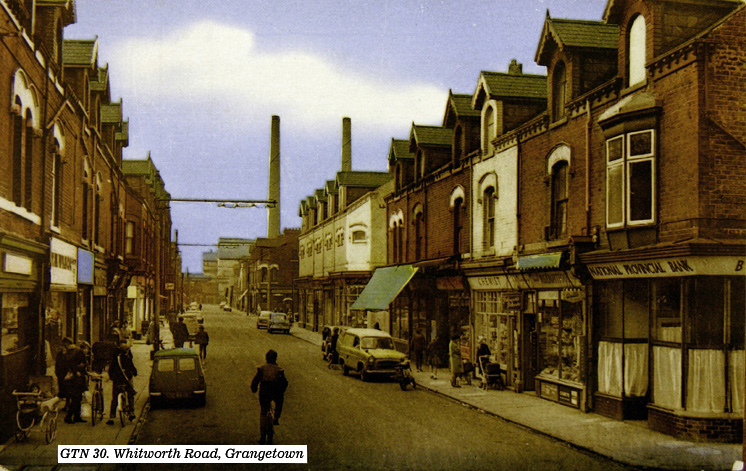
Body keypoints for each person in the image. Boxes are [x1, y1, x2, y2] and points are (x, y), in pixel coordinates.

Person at [251, 349, 288, 445]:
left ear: (266, 358)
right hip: (275, 392)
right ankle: (276, 417)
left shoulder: (262, 369)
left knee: (263, 412)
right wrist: (282, 391)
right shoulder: (279, 370)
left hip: (264, 392)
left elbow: (255, 381)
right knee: (280, 401)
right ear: (275, 358)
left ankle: (262, 437)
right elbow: (285, 383)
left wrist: (254, 388)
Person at [55, 337, 88, 423]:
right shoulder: (76, 352)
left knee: (77, 397)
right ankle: (69, 416)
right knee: (76, 398)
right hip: (76, 378)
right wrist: (77, 370)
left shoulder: (67, 353)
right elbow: (83, 364)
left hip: (69, 377)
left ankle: (77, 416)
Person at [107, 340, 137, 424]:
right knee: (130, 394)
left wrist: (112, 377)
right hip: (127, 378)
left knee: (115, 397)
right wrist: (135, 373)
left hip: (117, 379)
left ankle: (111, 416)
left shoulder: (115, 357)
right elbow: (132, 367)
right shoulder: (127, 357)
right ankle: (131, 412)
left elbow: (111, 369)